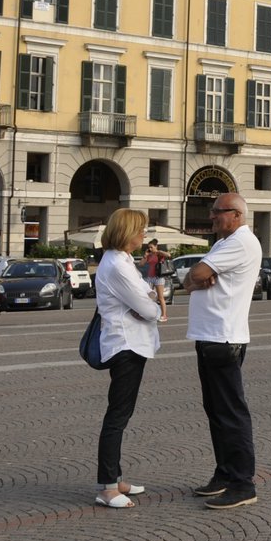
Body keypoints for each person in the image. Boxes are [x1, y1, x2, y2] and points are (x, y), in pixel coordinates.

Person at [183, 192, 262, 509]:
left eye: (217, 212)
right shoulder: (223, 243)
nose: (211, 216)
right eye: (212, 211)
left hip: (223, 337)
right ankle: (225, 473)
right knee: (216, 411)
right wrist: (194, 278)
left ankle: (243, 483)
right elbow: (194, 277)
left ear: (237, 214)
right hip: (210, 336)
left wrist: (195, 278)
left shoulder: (240, 242)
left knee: (231, 413)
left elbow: (198, 274)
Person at [93, 209, 166, 509]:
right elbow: (151, 308)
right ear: (126, 232)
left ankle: (115, 476)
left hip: (131, 343)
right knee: (117, 416)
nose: (143, 236)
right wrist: (148, 304)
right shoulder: (117, 266)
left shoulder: (121, 261)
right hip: (125, 345)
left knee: (121, 414)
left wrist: (147, 301)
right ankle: (107, 487)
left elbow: (147, 297)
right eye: (140, 231)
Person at [140, 240, 170, 304]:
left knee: (160, 298)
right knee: (148, 296)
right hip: (150, 277)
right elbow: (141, 264)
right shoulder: (149, 255)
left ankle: (164, 314)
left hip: (158, 277)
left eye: (151, 247)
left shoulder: (159, 254)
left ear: (156, 246)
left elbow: (168, 255)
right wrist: (145, 255)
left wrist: (158, 251)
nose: (150, 249)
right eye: (149, 248)